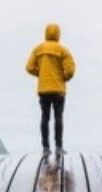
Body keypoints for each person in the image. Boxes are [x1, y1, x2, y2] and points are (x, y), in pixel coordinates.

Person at [26, 23, 75, 155]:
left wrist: (40, 74)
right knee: (58, 117)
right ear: (58, 34)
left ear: (46, 33)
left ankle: (45, 148)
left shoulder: (38, 49)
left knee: (44, 118)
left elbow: (29, 67)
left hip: (44, 90)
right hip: (58, 90)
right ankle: (59, 147)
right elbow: (70, 69)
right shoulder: (63, 50)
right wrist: (63, 78)